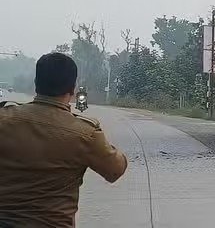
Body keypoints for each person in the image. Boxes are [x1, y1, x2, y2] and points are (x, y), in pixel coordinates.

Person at [0, 53, 127, 227]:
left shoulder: (4, 117)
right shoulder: (85, 132)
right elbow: (115, 170)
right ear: (72, 88)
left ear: (36, 83)